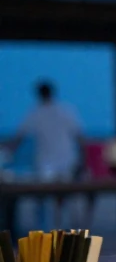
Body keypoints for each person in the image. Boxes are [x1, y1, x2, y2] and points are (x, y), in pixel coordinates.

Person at [5, 81, 84, 228]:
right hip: (67, 161)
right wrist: (83, 161)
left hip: (46, 164)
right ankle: (70, 229)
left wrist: (6, 151)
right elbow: (79, 138)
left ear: (38, 94)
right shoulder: (66, 111)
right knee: (67, 200)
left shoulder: (35, 113)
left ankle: (46, 229)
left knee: (43, 199)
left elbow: (19, 138)